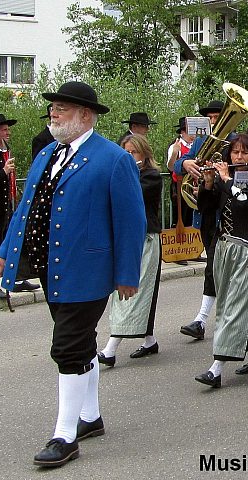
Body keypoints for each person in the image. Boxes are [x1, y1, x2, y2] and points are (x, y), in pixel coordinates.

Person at [0, 81, 145, 467]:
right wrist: (5, 254)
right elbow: (26, 208)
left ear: (85, 115)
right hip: (51, 266)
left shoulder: (114, 158)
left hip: (90, 269)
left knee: (67, 348)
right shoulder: (47, 154)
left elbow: (131, 221)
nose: (53, 114)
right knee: (80, 344)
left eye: (61, 108)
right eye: (53, 108)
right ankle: (90, 418)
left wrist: (128, 273)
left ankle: (65, 435)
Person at [193, 134, 248, 387]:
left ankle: (216, 368)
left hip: (247, 249)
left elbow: (245, 202)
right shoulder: (222, 181)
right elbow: (205, 208)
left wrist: (225, 180)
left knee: (234, 307)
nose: (239, 157)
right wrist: (207, 184)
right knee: (234, 303)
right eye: (235, 153)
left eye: (244, 153)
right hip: (224, 246)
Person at [97, 135, 163, 366]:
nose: (129, 157)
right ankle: (150, 340)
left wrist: (124, 174)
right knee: (127, 291)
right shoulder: (126, 174)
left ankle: (111, 348)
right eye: (125, 152)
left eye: (133, 152)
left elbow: (132, 196)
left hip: (146, 238)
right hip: (126, 239)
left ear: (144, 154)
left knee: (135, 292)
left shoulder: (151, 177)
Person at [0, 113, 40, 298]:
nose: (7, 132)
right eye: (4, 130)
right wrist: (3, 172)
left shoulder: (5, 149)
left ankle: (16, 278)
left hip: (7, 206)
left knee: (11, 240)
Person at [175, 100, 225, 341]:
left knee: (213, 267)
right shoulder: (202, 143)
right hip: (205, 214)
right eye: (211, 118)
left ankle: (202, 319)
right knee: (213, 267)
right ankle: (207, 320)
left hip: (225, 215)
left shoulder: (235, 142)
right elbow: (176, 165)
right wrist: (185, 162)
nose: (214, 121)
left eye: (217, 116)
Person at [167, 117, 196, 229]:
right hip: (179, 188)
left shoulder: (196, 145)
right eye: (190, 131)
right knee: (181, 217)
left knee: (193, 217)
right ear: (183, 132)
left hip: (193, 186)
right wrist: (175, 152)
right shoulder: (175, 146)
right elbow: (170, 167)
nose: (193, 134)